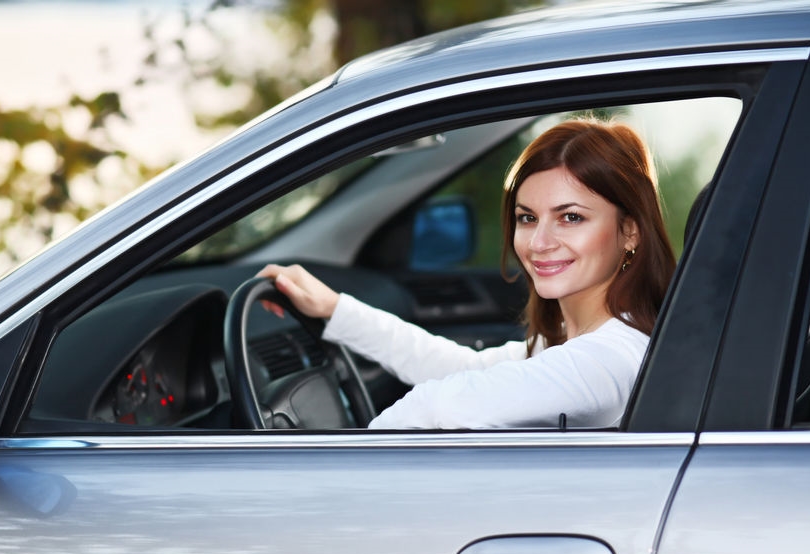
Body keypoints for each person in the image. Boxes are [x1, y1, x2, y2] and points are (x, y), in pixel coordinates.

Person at [258, 117, 676, 429]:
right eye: (527, 218)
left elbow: (440, 405)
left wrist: (336, 473)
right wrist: (334, 310)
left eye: (570, 217)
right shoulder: (577, 342)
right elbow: (463, 370)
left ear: (629, 231)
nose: (539, 242)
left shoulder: (606, 360)